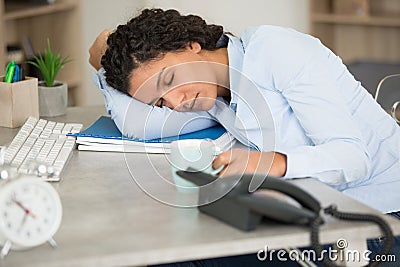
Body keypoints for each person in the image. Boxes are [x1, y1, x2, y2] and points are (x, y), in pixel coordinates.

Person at [89, 8, 400, 266]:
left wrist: (267, 163)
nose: (175, 102)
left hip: (380, 222)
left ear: (191, 45)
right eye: (160, 102)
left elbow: (353, 159)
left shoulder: (273, 50)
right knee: (167, 249)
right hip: (319, 214)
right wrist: (106, 64)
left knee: (182, 258)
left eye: (169, 79)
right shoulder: (210, 94)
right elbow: (136, 125)